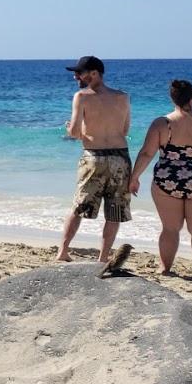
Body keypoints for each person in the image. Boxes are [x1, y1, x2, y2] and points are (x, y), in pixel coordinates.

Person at [127, 80, 192, 282]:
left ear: (172, 99)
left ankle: (165, 269)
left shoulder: (162, 123)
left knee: (169, 228)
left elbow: (147, 153)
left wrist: (134, 177)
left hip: (168, 181)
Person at [57, 56, 133, 264]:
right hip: (120, 157)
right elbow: (125, 130)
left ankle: (63, 252)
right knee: (114, 210)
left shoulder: (82, 96)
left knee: (79, 206)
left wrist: (73, 130)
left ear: (94, 74)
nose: (76, 77)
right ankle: (103, 257)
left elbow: (73, 132)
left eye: (79, 73)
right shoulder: (123, 97)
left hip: (94, 156)